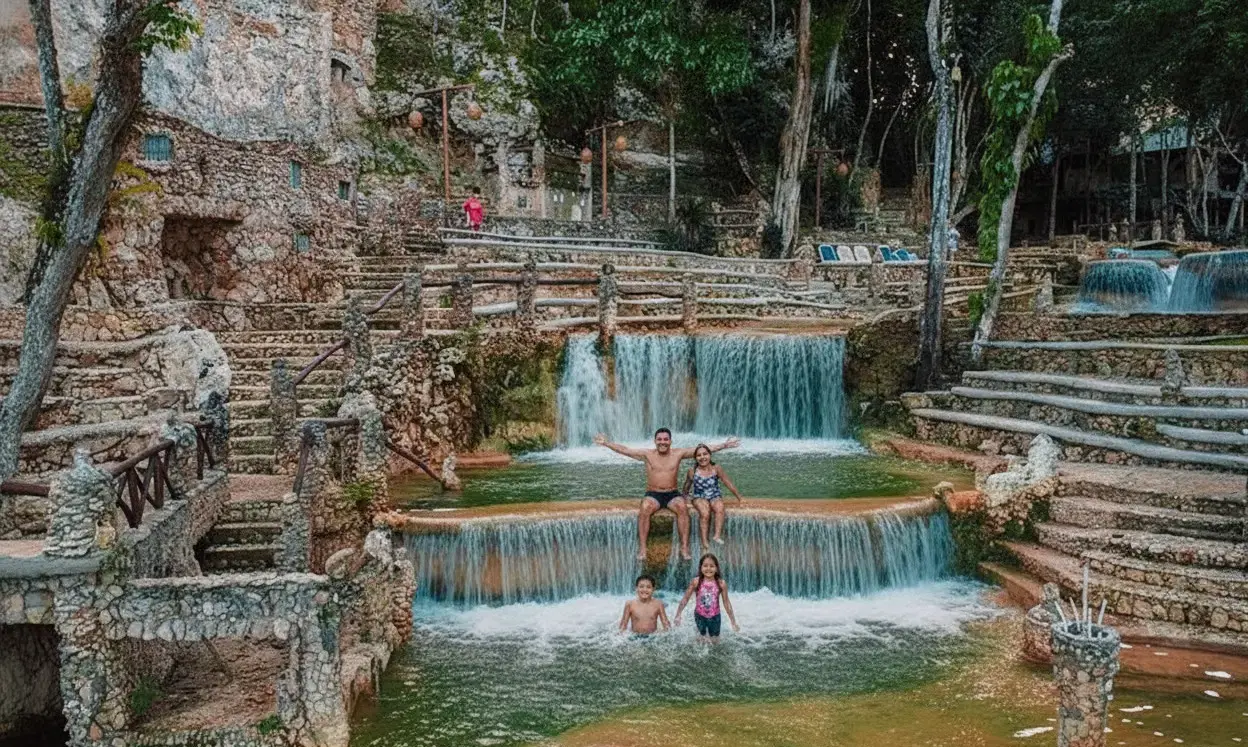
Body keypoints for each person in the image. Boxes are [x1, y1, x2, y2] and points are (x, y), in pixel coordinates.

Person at [594, 429, 740, 561]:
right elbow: (625, 450)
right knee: (644, 508)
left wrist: (724, 445)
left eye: (665, 439)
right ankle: (643, 548)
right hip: (653, 494)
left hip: (672, 494)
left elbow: (703, 450)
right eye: (660, 439)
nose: (662, 442)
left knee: (683, 507)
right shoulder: (647, 454)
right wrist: (607, 443)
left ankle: (684, 547)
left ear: (670, 441)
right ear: (655, 441)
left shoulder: (678, 454)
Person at [682, 444, 743, 545]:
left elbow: (728, 482)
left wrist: (739, 497)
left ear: (710, 455)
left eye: (705, 454)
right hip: (699, 496)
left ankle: (717, 535)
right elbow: (687, 485)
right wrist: (684, 497)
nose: (702, 457)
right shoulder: (692, 471)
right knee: (705, 512)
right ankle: (705, 541)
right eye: (699, 455)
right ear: (695, 458)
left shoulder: (716, 468)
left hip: (715, 495)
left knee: (720, 507)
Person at [674, 554, 739, 642]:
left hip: (715, 617)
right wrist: (678, 614)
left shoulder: (721, 583)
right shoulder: (696, 581)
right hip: (700, 616)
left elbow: (726, 603)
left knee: (715, 640)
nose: (708, 569)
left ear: (716, 568)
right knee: (700, 639)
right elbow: (685, 599)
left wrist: (733, 622)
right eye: (705, 566)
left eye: (712, 566)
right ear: (701, 567)